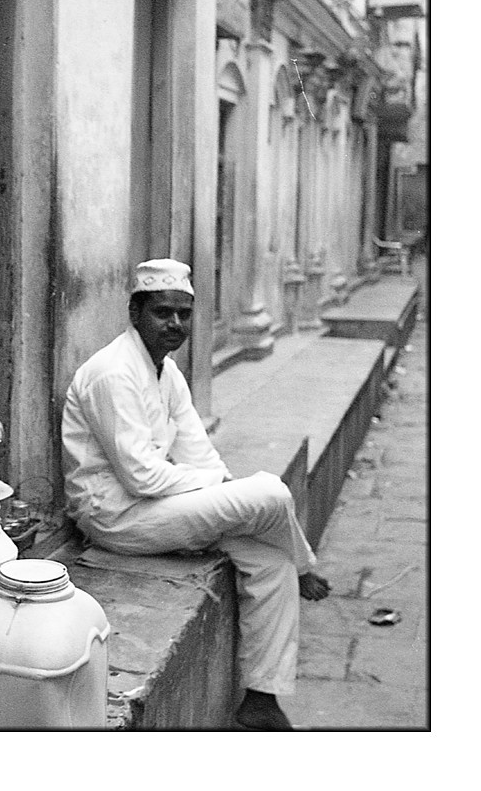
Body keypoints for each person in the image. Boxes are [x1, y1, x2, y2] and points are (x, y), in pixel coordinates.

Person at [60, 258, 330, 731]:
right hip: (115, 517)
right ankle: (307, 562)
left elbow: (199, 455)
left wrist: (223, 492)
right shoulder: (112, 372)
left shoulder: (167, 372)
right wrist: (230, 494)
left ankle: (262, 701)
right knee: (269, 492)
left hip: (161, 506)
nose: (176, 324)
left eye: (184, 314)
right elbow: (141, 477)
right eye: (163, 312)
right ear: (135, 312)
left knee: (272, 563)